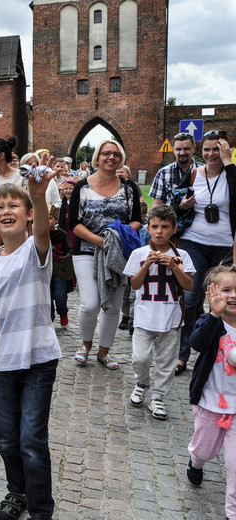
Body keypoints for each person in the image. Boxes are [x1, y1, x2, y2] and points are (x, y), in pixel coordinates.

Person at [0, 171, 63, 520]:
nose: (6, 210)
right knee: (6, 436)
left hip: (39, 358)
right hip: (6, 360)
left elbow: (41, 232)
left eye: (14, 205)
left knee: (32, 440)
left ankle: (41, 509)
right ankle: (17, 491)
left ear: (27, 214)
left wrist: (37, 195)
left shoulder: (36, 252)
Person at [69, 139, 142, 370]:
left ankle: (105, 351)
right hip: (87, 250)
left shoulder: (130, 188)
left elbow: (138, 220)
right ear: (97, 158)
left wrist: (119, 235)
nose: (111, 157)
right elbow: (73, 223)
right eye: (105, 153)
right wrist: (100, 241)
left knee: (112, 306)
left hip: (118, 253)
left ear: (121, 158)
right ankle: (85, 345)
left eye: (115, 154)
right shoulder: (82, 186)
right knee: (90, 304)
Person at [123, 205, 194, 420]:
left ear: (174, 229)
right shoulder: (139, 254)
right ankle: (142, 381)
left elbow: (189, 286)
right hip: (144, 318)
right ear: (148, 228)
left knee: (166, 362)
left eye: (165, 227)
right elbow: (134, 285)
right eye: (155, 226)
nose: (159, 231)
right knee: (139, 358)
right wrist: (146, 266)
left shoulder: (182, 255)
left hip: (170, 319)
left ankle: (158, 397)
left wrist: (174, 267)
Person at [173, 132, 235, 376]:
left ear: (225, 149)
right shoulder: (195, 173)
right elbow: (175, 202)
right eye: (207, 149)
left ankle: (219, 350)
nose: (211, 154)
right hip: (194, 242)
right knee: (189, 297)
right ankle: (182, 354)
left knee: (222, 300)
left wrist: (229, 163)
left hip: (225, 245)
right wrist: (183, 205)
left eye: (216, 149)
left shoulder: (231, 173)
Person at [186, 265, 236, 520]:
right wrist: (214, 316)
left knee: (235, 463)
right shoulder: (210, 322)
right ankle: (196, 462)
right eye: (226, 290)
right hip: (210, 402)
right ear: (213, 294)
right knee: (204, 450)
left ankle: (232, 512)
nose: (233, 295)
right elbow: (197, 343)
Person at [149, 132, 202, 206]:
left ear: (194, 148)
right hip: (171, 216)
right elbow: (157, 204)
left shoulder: (204, 171)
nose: (182, 153)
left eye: (186, 149)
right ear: (173, 150)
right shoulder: (163, 173)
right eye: (178, 149)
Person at [48, 205, 71, 327]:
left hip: (60, 269)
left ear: (55, 220)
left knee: (60, 295)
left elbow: (68, 251)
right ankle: (49, 319)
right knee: (47, 296)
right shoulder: (40, 234)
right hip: (45, 270)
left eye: (50, 218)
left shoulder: (62, 235)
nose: (47, 221)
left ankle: (63, 312)